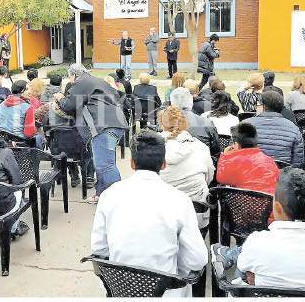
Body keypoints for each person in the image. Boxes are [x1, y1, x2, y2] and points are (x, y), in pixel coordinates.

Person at [91, 130, 208, 297]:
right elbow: (197, 259)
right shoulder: (179, 200)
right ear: (163, 164)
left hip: (120, 290)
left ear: (132, 163)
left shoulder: (109, 195)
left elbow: (99, 249)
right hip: (167, 293)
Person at [215, 168, 305, 291]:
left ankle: (226, 254)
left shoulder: (258, 241)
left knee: (243, 270)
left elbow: (244, 269)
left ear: (277, 207)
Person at [55, 64, 128, 203]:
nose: (70, 81)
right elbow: (119, 95)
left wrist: (60, 97)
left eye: (70, 77)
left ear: (74, 75)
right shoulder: (98, 81)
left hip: (103, 127)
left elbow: (69, 105)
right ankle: (100, 194)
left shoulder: (81, 83)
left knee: (105, 165)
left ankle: (117, 200)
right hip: (116, 123)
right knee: (102, 163)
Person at [159, 107, 214, 229]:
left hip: (162, 217)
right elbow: (209, 177)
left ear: (161, 123)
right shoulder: (201, 147)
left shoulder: (151, 148)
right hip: (195, 215)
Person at [217, 123, 280, 196]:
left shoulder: (233, 161)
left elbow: (221, 179)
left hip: (241, 205)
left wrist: (225, 156)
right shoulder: (269, 161)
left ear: (236, 144)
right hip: (268, 205)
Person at [245, 91, 304, 168]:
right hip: (282, 176)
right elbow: (298, 161)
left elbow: (236, 154)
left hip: (251, 175)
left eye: (258, 105)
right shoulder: (293, 128)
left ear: (263, 106)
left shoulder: (245, 125)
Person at [169, 87, 221, 158]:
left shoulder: (163, 124)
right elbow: (216, 152)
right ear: (190, 102)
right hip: (200, 164)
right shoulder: (207, 123)